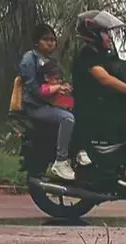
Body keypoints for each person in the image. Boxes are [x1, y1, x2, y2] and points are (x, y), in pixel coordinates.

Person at [71, 10, 126, 196]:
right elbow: (107, 80)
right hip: (94, 112)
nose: (109, 36)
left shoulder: (106, 55)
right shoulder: (87, 55)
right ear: (93, 33)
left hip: (108, 109)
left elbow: (124, 74)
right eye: (105, 32)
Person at [19, 24, 76, 181]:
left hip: (51, 104)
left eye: (53, 39)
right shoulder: (29, 59)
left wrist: (64, 88)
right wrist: (56, 90)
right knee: (67, 118)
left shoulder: (50, 60)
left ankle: (78, 153)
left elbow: (58, 81)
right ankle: (61, 160)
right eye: (46, 39)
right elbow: (33, 89)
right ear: (37, 41)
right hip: (36, 106)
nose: (50, 43)